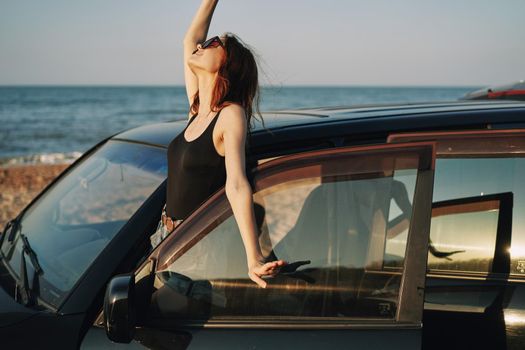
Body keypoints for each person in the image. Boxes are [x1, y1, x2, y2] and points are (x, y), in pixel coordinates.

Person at [150, 0, 287, 288]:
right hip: (166, 238)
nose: (202, 46)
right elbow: (191, 39)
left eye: (214, 43)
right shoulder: (197, 111)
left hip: (198, 249)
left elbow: (236, 184)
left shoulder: (230, 115)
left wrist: (254, 257)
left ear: (227, 63)